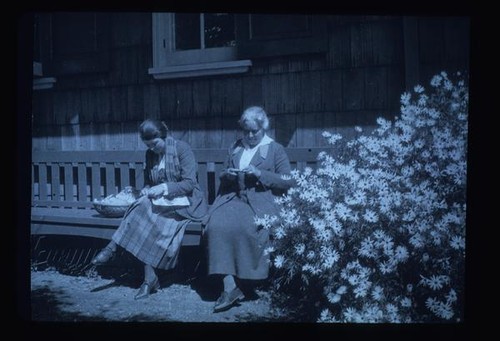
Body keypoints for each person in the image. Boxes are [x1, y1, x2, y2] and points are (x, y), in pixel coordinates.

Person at [91, 119, 208, 300]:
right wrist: (146, 189)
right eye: (148, 146)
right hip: (163, 203)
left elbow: (189, 183)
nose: (152, 149)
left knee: (145, 215)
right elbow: (150, 181)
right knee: (142, 207)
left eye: (154, 144)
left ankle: (114, 248)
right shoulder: (150, 155)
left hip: (187, 202)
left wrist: (164, 188)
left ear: (165, 136)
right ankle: (149, 278)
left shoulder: (181, 149)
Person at [203, 106, 294, 313]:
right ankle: (230, 286)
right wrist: (227, 175)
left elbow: (288, 181)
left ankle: (246, 283)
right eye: (246, 131)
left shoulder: (274, 149)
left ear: (264, 129)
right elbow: (225, 175)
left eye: (255, 131)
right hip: (232, 199)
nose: (250, 135)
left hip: (261, 202)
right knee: (216, 225)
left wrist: (260, 174)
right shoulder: (236, 147)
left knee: (244, 227)